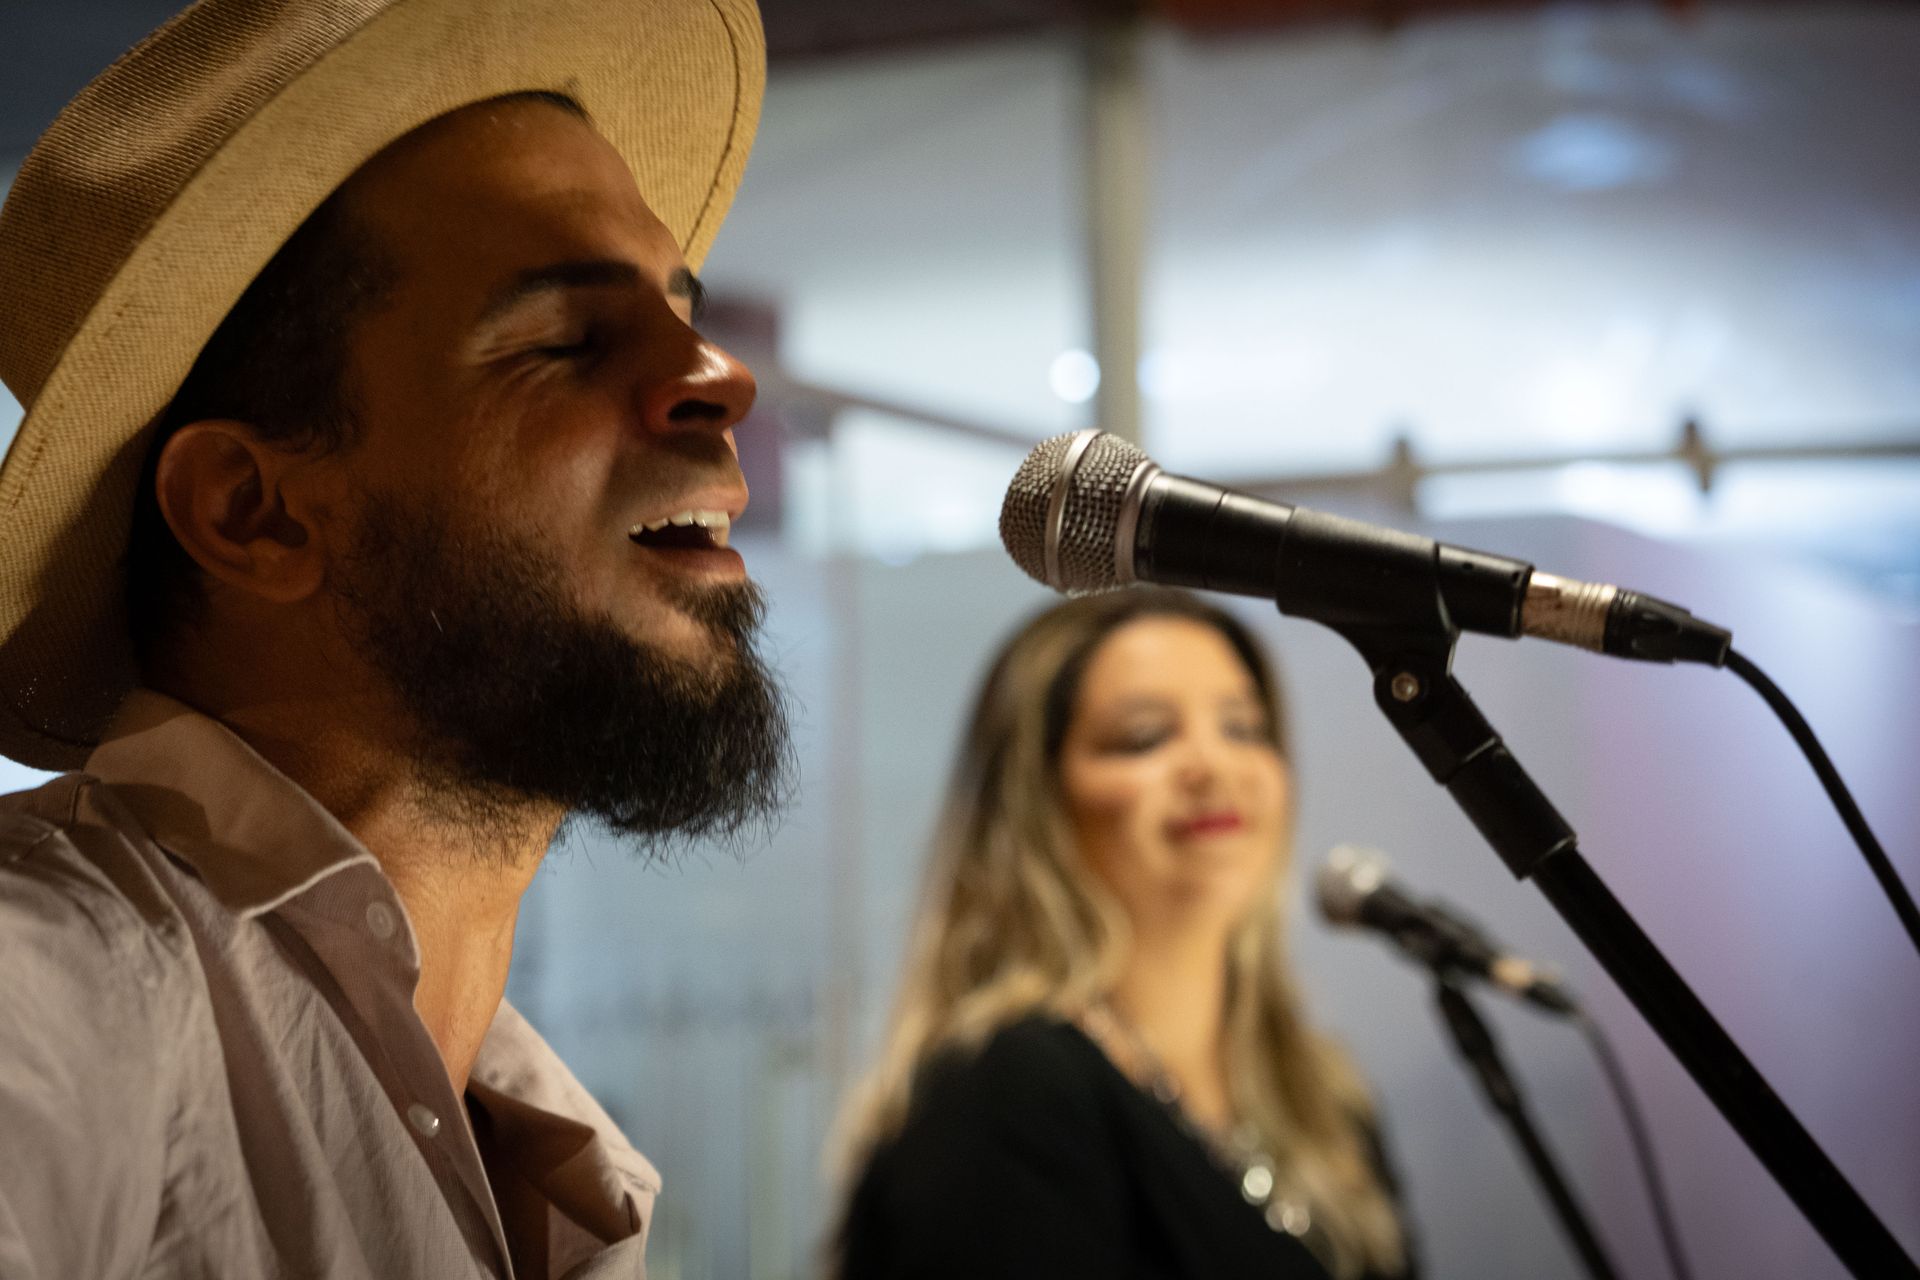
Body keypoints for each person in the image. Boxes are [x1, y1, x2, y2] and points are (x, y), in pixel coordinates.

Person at [0, 1, 786, 1276]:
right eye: (564, 339)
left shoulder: (534, 1130)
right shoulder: (47, 984)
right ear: (253, 511)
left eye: (679, 311)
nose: (718, 375)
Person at [832, 588, 1416, 1280]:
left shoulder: (1321, 1094)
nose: (1213, 765)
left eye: (1243, 728)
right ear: (1035, 802)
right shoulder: (1009, 1095)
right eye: (1145, 737)